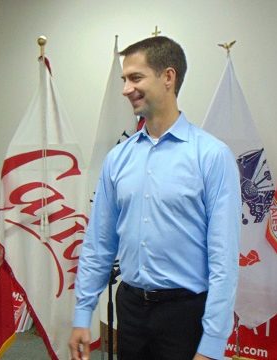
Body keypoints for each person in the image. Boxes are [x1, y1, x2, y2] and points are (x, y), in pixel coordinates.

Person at [69, 36, 241, 360]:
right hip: (131, 309)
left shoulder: (212, 156)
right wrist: (82, 314)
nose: (125, 89)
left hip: (186, 315)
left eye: (135, 78)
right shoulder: (118, 159)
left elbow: (224, 260)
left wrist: (213, 344)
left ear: (168, 77)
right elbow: (99, 244)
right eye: (123, 79)